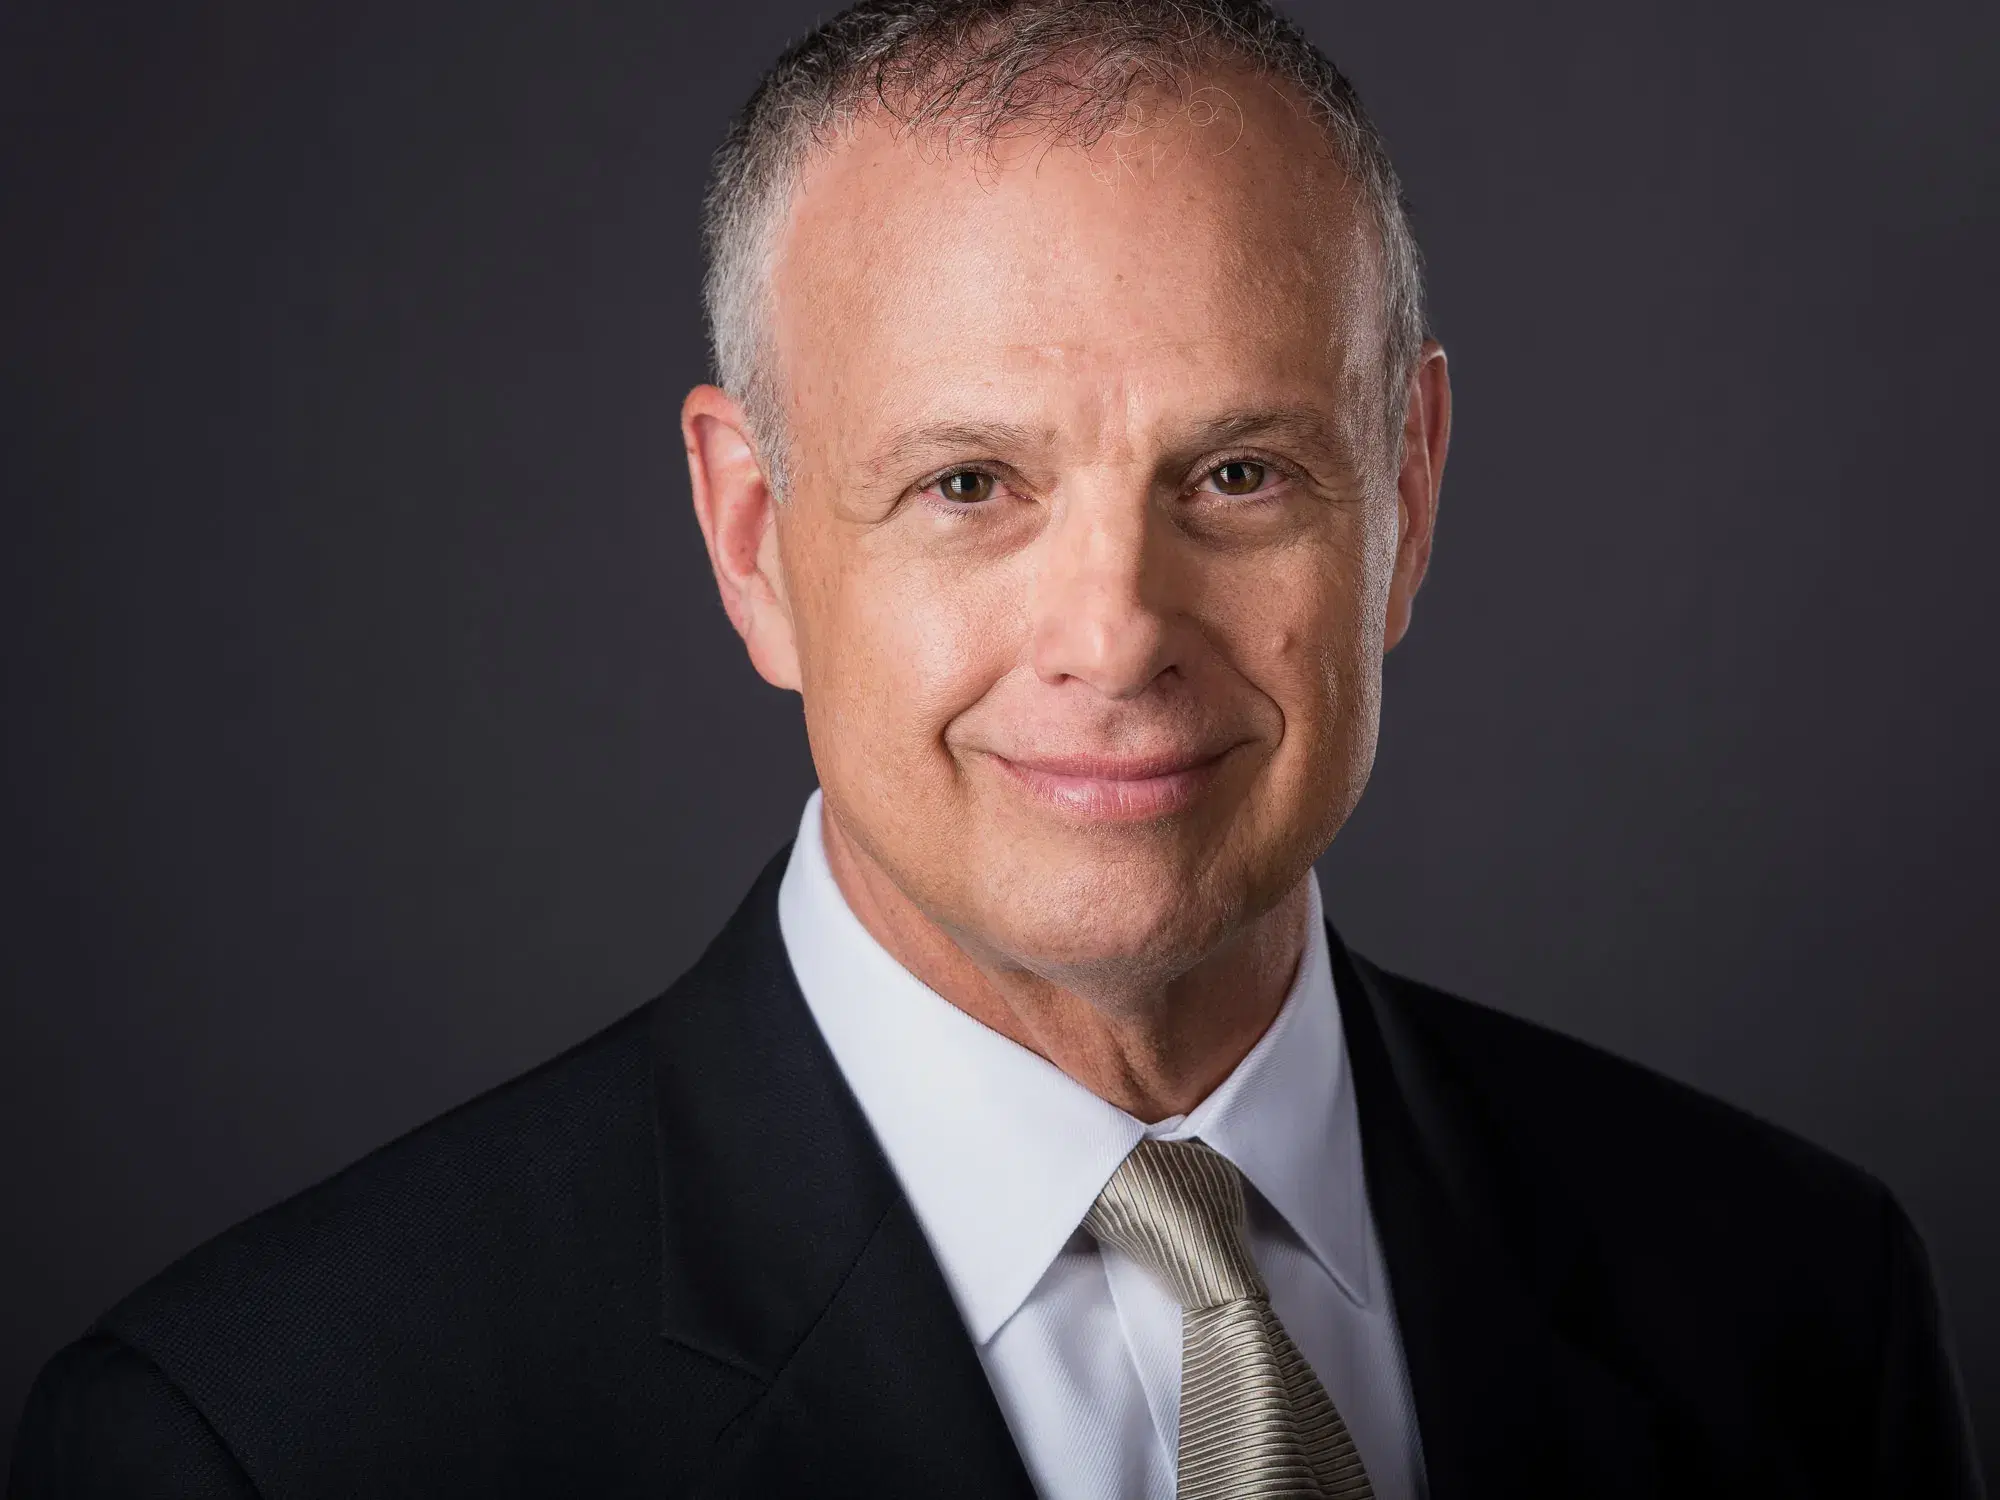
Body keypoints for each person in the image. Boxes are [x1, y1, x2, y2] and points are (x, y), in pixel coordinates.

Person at [8, 1, 1984, 1496]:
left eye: (1236, 471)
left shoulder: (1797, 1302)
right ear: (755, 540)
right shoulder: (266, 1442)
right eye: (968, 483)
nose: (1114, 633)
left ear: (1407, 489)